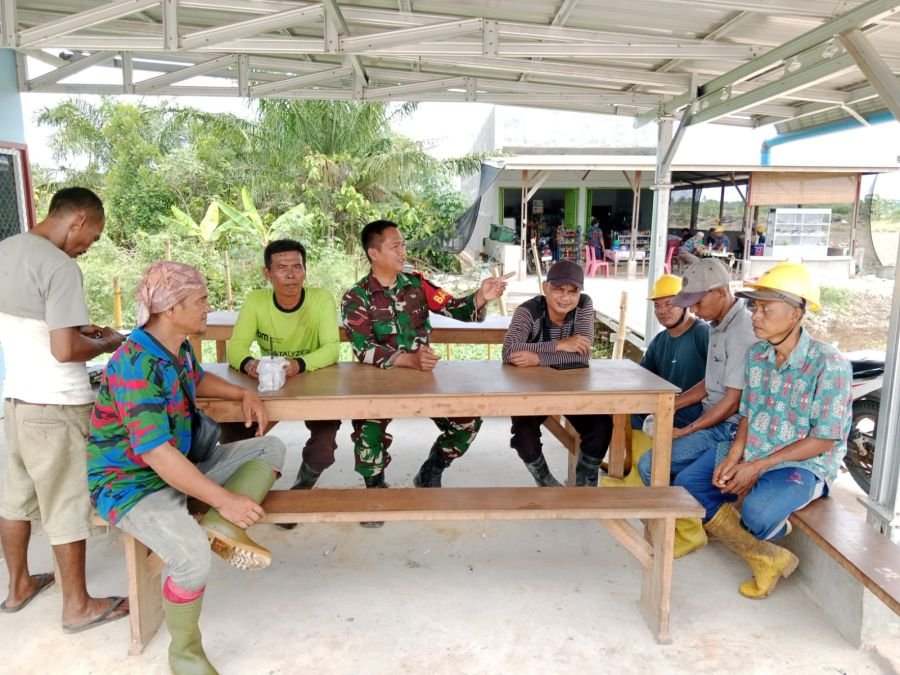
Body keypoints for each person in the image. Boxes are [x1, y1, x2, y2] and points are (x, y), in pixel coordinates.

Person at [86, 261, 285, 674]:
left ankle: (220, 526)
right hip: (133, 485)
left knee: (269, 449)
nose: (208, 307)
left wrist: (239, 393)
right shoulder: (134, 365)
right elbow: (157, 455)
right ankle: (185, 654)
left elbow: (196, 380)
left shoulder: (176, 347)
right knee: (192, 559)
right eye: (201, 300)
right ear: (170, 309)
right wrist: (225, 498)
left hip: (179, 467)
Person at [674, 262, 851, 599]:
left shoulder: (828, 363)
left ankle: (784, 512)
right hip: (754, 450)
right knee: (688, 486)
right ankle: (766, 557)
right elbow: (748, 415)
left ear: (796, 314)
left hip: (801, 464)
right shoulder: (758, 355)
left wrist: (756, 467)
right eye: (755, 307)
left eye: (766, 309)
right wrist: (735, 456)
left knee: (757, 514)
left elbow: (824, 438)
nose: (755, 315)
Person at [0, 187, 130, 632]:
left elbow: (32, 325)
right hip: (55, 405)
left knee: (14, 500)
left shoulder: (6, 250)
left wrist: (77, 329)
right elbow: (64, 350)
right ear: (77, 220)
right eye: (90, 238)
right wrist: (107, 342)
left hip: (15, 401)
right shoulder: (59, 265)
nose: (86, 248)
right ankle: (78, 606)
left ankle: (17, 587)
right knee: (67, 503)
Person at [341, 220, 509, 517]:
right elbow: (363, 348)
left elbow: (454, 307)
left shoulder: (417, 284)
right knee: (368, 434)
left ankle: (432, 469)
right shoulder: (356, 297)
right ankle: (376, 490)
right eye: (395, 246)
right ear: (374, 253)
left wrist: (482, 296)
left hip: (423, 378)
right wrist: (407, 359)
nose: (403, 251)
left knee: (466, 422)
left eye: (403, 244)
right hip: (378, 381)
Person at [636, 260, 756, 557]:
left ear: (720, 292)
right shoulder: (718, 324)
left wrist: (686, 430)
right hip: (710, 413)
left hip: (729, 425)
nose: (694, 309)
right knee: (648, 417)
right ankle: (681, 521)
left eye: (697, 301)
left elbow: (731, 402)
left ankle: (687, 531)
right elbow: (710, 383)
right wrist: (671, 404)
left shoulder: (742, 331)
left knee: (652, 465)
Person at [226, 239, 340, 496]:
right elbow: (236, 347)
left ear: (305, 271)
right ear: (267, 273)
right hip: (269, 383)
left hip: (312, 378)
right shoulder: (256, 301)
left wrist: (299, 365)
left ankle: (303, 485)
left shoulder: (321, 299)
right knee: (234, 427)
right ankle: (244, 487)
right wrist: (250, 365)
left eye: (297, 267)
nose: (290, 275)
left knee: (325, 439)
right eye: (281, 268)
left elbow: (332, 348)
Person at [502, 260, 612, 487]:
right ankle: (547, 484)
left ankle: (583, 485)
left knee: (602, 426)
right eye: (558, 290)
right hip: (531, 393)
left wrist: (537, 358)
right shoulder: (527, 311)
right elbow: (509, 352)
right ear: (545, 288)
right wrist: (560, 345)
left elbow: (581, 356)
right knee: (524, 437)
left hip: (573, 391)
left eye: (573, 291)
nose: (565, 298)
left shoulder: (584, 305)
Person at [601, 273, 709, 488]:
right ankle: (634, 469)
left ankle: (639, 479)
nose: (662, 311)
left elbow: (717, 381)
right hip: (669, 406)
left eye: (669, 304)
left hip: (697, 410)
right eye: (657, 306)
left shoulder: (702, 334)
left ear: (686, 304)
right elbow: (642, 375)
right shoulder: (660, 340)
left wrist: (674, 404)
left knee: (644, 412)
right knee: (628, 408)